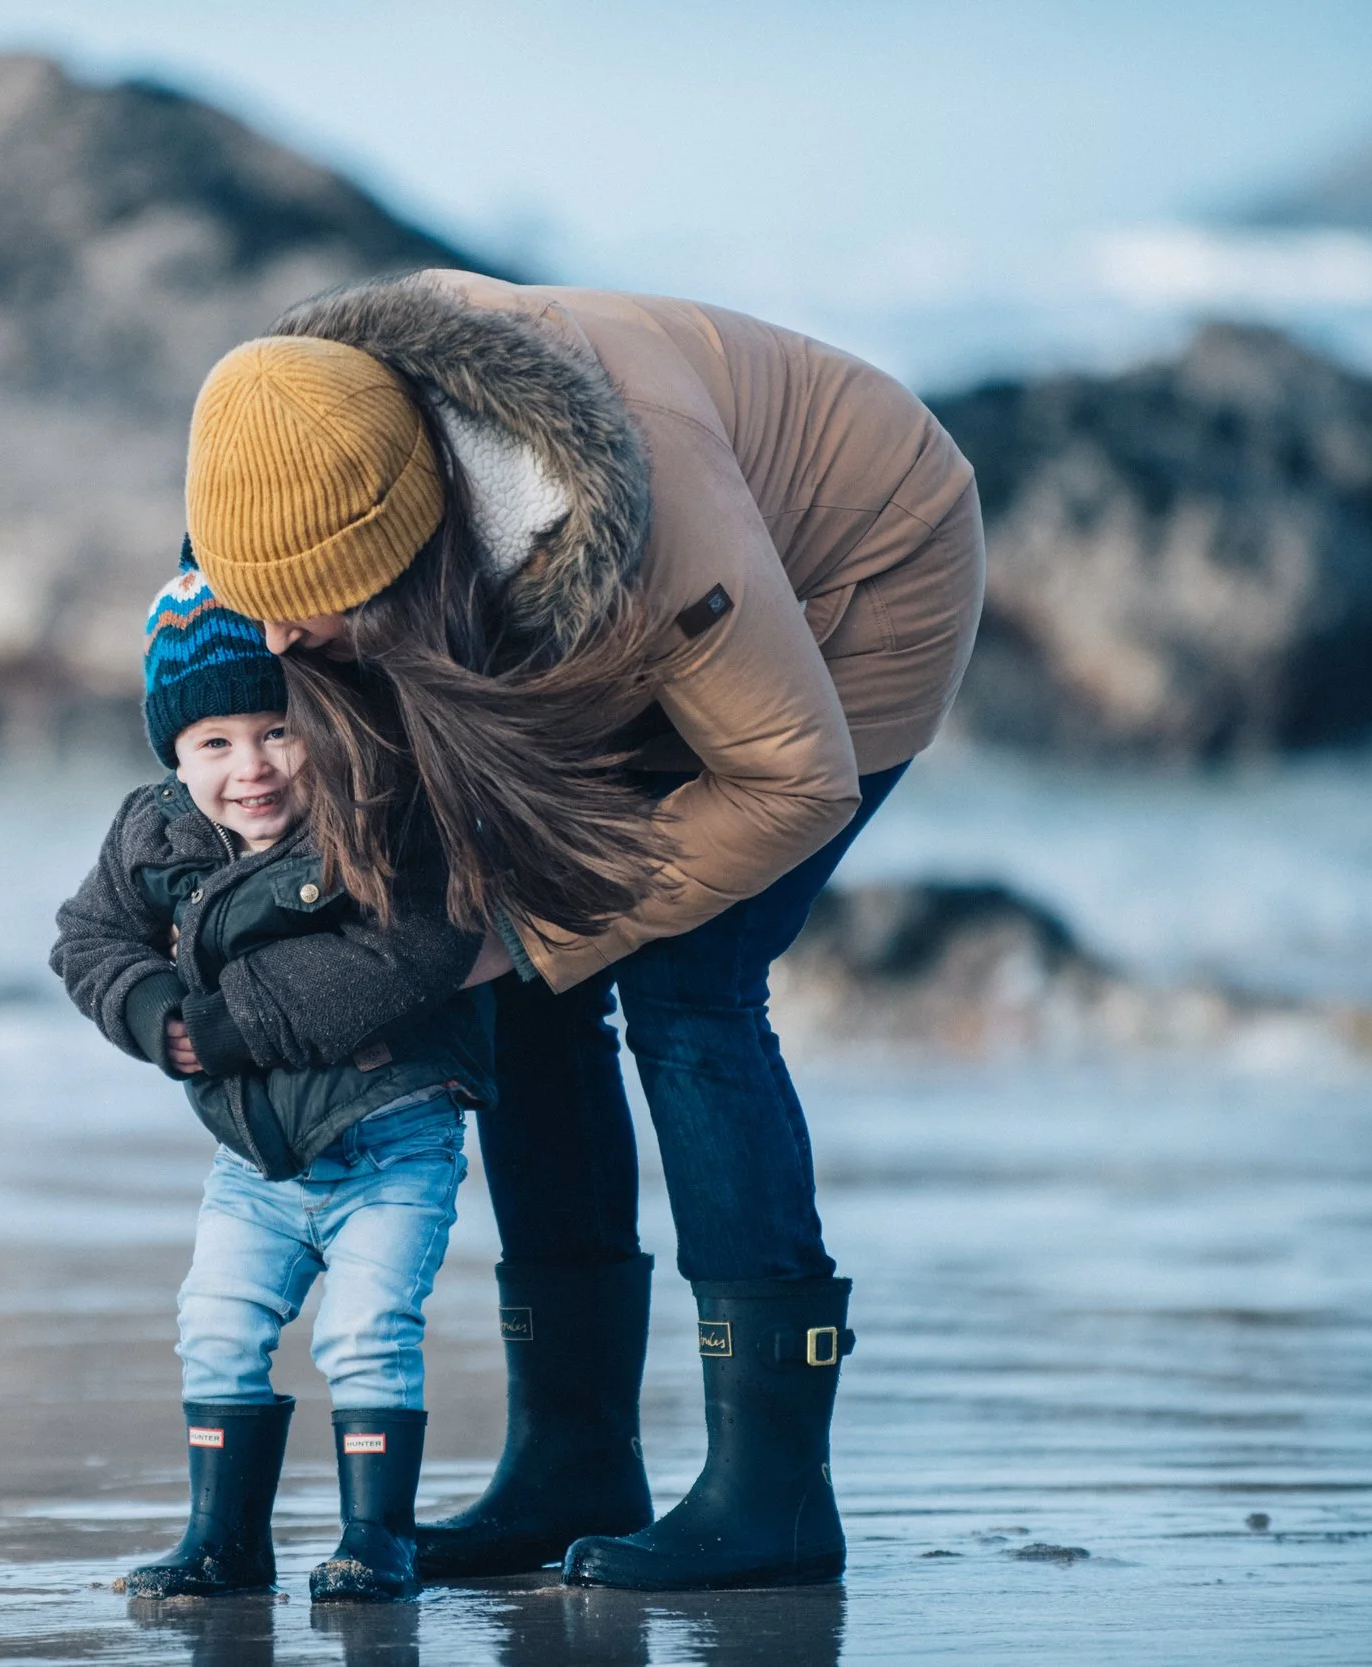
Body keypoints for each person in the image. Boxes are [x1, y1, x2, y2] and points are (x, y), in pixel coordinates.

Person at [179, 270, 985, 1590]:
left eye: (307, 599)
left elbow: (794, 782)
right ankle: (573, 1457)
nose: (275, 630)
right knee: (524, 992)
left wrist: (532, 927)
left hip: (855, 575)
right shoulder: (284, 445)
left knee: (688, 983)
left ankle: (773, 1493)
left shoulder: (648, 526)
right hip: (620, 621)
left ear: (405, 543)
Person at [50, 552, 492, 1603]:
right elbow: (86, 938)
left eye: (277, 730)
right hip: (252, 1159)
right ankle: (224, 1541)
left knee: (365, 1331)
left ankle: (375, 1539)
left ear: (321, 721)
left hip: (392, 1139)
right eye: (215, 742)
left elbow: (413, 951)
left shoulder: (376, 809)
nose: (250, 767)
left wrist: (227, 1022)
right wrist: (158, 1017)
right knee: (214, 1324)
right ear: (175, 752)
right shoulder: (153, 830)